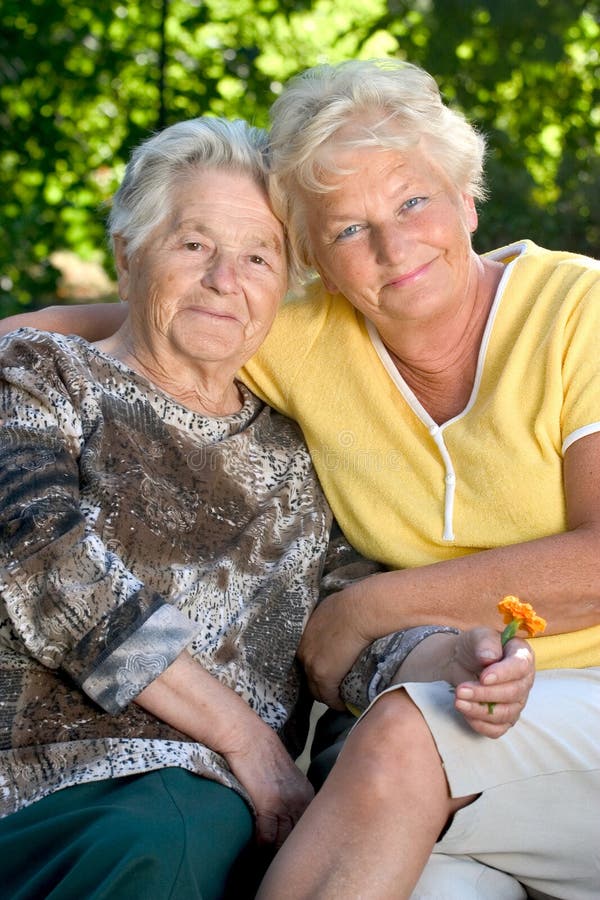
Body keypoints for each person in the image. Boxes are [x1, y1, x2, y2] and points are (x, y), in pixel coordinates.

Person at [0, 111, 533, 899]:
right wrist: (246, 741)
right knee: (170, 837)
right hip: (53, 787)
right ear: (127, 255)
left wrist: (449, 660)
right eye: (194, 245)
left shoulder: (297, 448)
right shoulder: (42, 376)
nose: (226, 278)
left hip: (232, 811)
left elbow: (346, 625)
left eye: (258, 256)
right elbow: (50, 569)